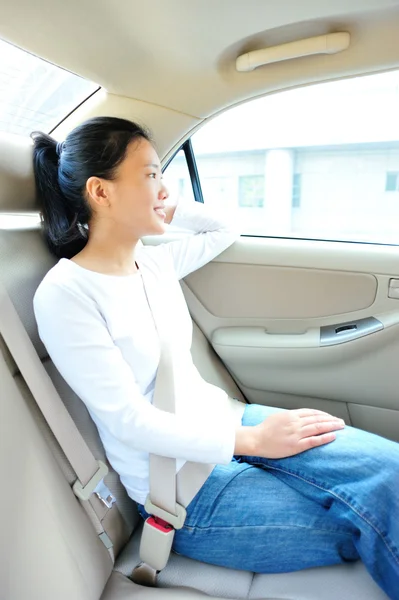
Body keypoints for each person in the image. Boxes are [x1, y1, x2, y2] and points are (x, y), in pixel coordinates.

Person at [32, 117, 399, 599]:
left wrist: (169, 205)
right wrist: (251, 440)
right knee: (378, 518)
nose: (163, 187)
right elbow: (127, 419)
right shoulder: (66, 293)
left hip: (229, 423)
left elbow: (225, 228)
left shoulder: (154, 263)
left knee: (390, 471)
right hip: (184, 491)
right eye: (150, 175)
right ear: (101, 192)